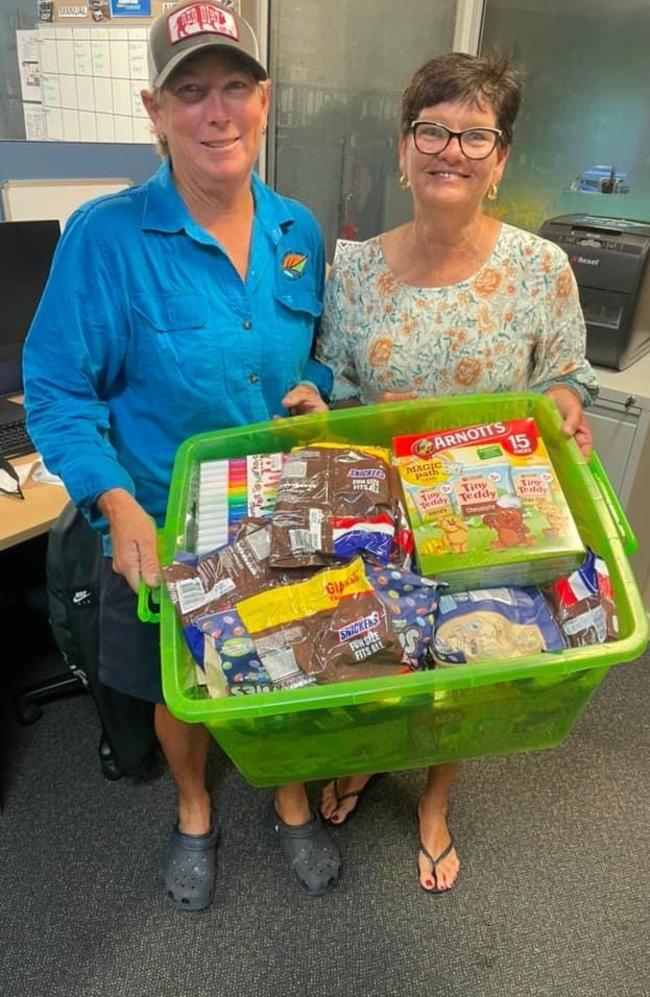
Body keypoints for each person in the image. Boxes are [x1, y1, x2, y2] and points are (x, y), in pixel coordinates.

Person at [23, 0, 341, 909]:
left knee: (296, 657)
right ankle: (196, 806)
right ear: (153, 111)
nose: (217, 112)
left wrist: (317, 382)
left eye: (234, 87)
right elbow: (57, 391)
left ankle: (287, 793)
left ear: (265, 101)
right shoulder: (105, 239)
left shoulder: (298, 232)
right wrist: (113, 501)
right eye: (190, 91)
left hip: (282, 510)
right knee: (184, 688)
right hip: (167, 524)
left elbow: (313, 349)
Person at [315, 52, 598, 894]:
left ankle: (435, 798)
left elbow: (567, 370)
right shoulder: (356, 270)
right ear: (404, 149)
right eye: (433, 129)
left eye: (477, 134)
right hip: (382, 507)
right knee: (376, 652)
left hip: (488, 512)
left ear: (499, 159)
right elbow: (338, 379)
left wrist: (563, 402)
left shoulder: (539, 267)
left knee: (467, 671)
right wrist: (327, 402)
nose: (452, 150)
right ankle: (369, 758)